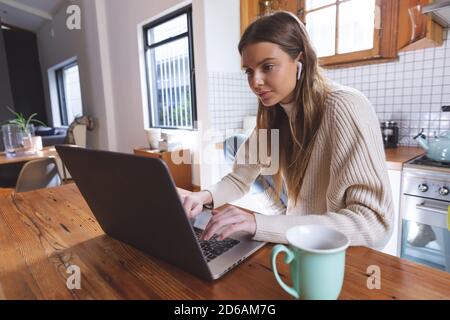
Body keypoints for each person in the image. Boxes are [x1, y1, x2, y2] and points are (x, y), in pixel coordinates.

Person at [181, 11, 394, 248]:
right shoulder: (274, 113)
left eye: (268, 66)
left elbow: (374, 223)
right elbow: (240, 179)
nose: (255, 82)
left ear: (299, 62)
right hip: (301, 243)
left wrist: (258, 223)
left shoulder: (343, 105)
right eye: (249, 71)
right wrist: (202, 197)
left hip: (341, 255)